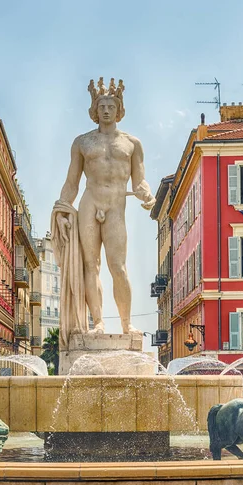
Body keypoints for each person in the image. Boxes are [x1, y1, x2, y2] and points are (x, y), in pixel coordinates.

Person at [52, 78, 155, 346]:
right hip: (90, 202)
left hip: (115, 206)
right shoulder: (82, 143)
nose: (106, 110)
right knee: (90, 265)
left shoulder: (132, 144)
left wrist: (146, 192)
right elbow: (72, 182)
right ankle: (97, 322)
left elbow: (139, 180)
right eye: (102, 106)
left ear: (119, 110)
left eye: (111, 106)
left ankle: (125, 323)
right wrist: (63, 207)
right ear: (94, 110)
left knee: (118, 266)